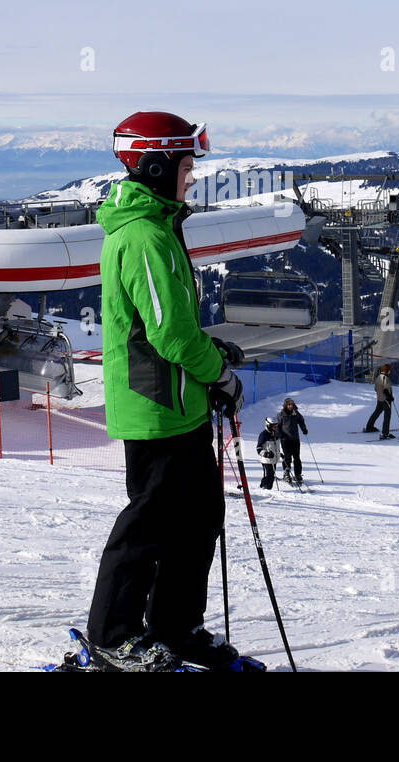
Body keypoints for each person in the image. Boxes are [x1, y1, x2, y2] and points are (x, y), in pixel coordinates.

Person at [84, 111, 246, 672]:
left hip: (180, 405)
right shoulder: (145, 237)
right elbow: (170, 334)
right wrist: (219, 376)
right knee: (148, 526)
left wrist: (213, 359)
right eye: (185, 164)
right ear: (156, 166)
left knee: (199, 518)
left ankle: (176, 627)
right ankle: (113, 634)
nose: (192, 176)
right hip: (155, 408)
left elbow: (173, 325)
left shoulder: (159, 228)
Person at [276, 397, 308, 485]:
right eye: (289, 405)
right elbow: (277, 426)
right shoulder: (281, 415)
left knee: (297, 457)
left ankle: (298, 474)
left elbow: (301, 421)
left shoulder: (296, 413)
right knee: (287, 457)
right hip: (285, 439)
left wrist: (304, 429)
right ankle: (286, 473)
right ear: (286, 405)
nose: (290, 406)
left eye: (292, 405)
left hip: (295, 439)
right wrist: (279, 435)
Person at [364, 363, 394, 439]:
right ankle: (385, 433)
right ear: (387, 371)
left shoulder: (378, 377)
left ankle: (369, 427)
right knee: (387, 415)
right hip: (386, 400)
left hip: (379, 399)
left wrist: (380, 394)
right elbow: (386, 390)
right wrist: (390, 397)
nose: (390, 371)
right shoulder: (385, 378)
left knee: (376, 412)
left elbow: (376, 389)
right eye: (389, 370)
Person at [256, 417, 280, 490]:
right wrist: (265, 454)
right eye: (274, 426)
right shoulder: (264, 434)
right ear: (268, 425)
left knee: (272, 476)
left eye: (276, 425)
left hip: (274, 460)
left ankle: (268, 489)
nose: (275, 427)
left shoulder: (276, 434)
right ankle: (263, 488)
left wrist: (280, 454)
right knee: (268, 476)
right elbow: (258, 448)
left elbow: (276, 447)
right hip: (266, 460)